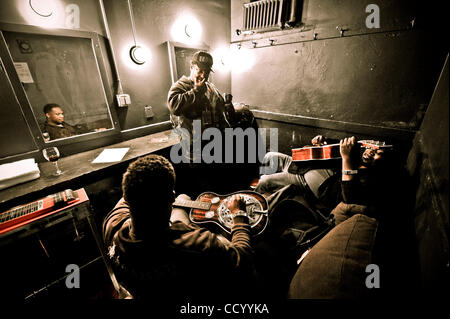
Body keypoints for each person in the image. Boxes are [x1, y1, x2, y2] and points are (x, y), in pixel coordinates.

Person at [102, 154, 255, 299]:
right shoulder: (200, 244)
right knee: (223, 238)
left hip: (147, 289)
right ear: (171, 197)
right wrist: (239, 215)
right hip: (185, 290)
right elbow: (243, 260)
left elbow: (125, 202)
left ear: (127, 196)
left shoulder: (112, 224)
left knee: (184, 198)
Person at [256, 135, 392, 213]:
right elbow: (332, 147)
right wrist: (322, 141)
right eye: (371, 148)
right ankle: (266, 196)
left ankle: (255, 207)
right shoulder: (357, 155)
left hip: (306, 181)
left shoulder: (371, 177)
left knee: (264, 181)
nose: (371, 152)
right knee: (270, 157)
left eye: (378, 153)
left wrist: (346, 158)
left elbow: (349, 198)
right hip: (304, 167)